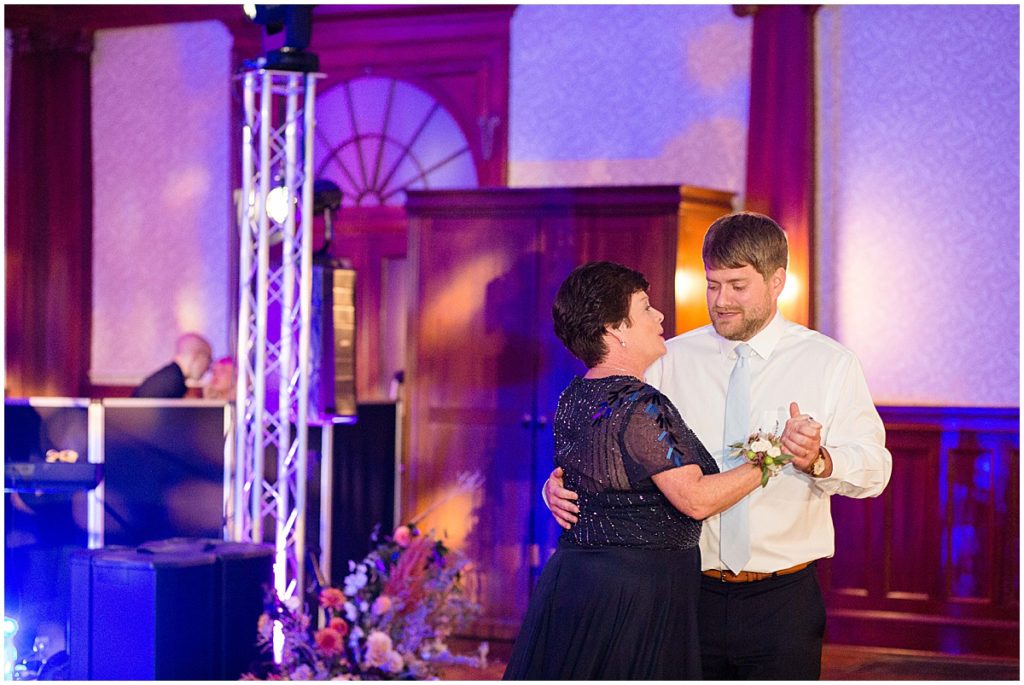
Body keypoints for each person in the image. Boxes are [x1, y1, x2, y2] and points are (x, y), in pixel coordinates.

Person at [544, 211, 893, 679]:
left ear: (777, 281)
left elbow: (875, 470)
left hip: (782, 602)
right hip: (685, 595)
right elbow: (611, 439)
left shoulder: (829, 363)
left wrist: (819, 459)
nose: (721, 300)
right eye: (712, 284)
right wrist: (561, 486)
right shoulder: (670, 358)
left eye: (737, 285)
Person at [503, 261, 772, 680]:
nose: (660, 315)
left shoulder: (573, 395)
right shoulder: (640, 403)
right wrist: (771, 460)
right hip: (634, 596)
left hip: (579, 584)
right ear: (616, 329)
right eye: (646, 307)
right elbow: (696, 499)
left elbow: (594, 481)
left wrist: (549, 488)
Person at [131, 332, 212, 398]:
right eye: (209, 359)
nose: (208, 367)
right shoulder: (173, 383)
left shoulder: (169, 377)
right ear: (197, 356)